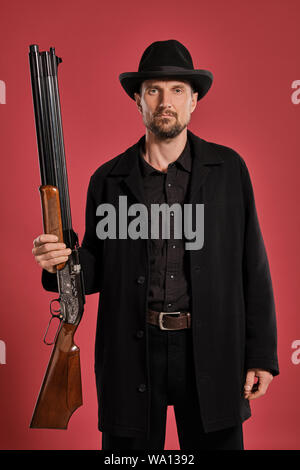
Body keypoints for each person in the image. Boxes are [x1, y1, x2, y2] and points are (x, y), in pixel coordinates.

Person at [31, 39, 279, 450]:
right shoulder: (107, 179)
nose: (166, 101)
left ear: (194, 101)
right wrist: (57, 261)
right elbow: (93, 267)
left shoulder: (229, 170)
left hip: (211, 348)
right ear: (138, 101)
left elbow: (253, 265)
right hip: (133, 348)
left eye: (177, 90)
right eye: (153, 90)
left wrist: (261, 356)